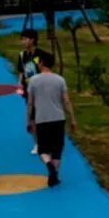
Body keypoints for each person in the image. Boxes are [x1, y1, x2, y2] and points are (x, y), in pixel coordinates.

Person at [26, 50, 76, 187]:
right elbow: (66, 101)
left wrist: (29, 120)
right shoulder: (60, 80)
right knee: (57, 150)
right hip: (58, 118)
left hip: (42, 119)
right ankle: (55, 175)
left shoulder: (34, 80)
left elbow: (30, 103)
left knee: (42, 150)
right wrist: (72, 118)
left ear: (42, 63)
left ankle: (49, 167)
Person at [16, 27, 42, 153]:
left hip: (41, 90)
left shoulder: (39, 55)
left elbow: (43, 69)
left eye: (25, 39)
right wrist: (19, 84)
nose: (23, 41)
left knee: (43, 117)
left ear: (32, 40)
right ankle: (37, 143)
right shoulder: (22, 55)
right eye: (22, 39)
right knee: (32, 117)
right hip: (29, 91)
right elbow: (21, 71)